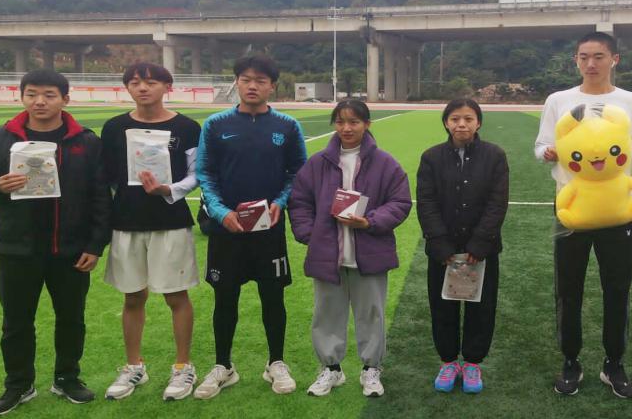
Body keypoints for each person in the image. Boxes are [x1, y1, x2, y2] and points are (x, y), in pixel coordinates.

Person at [0, 69, 111, 416]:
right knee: (16, 322)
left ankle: (67, 378)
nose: (39, 102)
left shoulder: (86, 141)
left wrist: (95, 245)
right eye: (31, 94)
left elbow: (100, 197)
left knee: (71, 318)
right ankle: (18, 385)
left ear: (65, 99)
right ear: (22, 97)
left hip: (70, 250)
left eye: (49, 94)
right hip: (17, 250)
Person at [534, 31, 632, 399]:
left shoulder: (631, 102)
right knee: (568, 288)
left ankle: (613, 363)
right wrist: (548, 153)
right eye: (583, 57)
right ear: (576, 60)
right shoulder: (559, 100)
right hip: (570, 208)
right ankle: (570, 361)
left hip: (617, 210)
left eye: (598, 56)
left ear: (614, 60)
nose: (590, 63)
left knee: (617, 288)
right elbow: (541, 145)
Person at [194, 55, 307, 399]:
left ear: (272, 86)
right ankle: (223, 366)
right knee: (225, 297)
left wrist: (280, 202)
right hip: (226, 230)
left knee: (273, 296)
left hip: (268, 230)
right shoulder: (216, 124)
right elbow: (205, 173)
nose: (252, 86)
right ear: (237, 83)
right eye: (245, 79)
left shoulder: (287, 126)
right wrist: (220, 212)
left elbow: (298, 173)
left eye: (260, 80)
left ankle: (276, 362)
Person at [289, 99, 412, 398]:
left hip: (370, 252)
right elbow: (300, 201)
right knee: (327, 313)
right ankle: (331, 368)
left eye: (354, 122)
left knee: (371, 313)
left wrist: (370, 221)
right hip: (327, 254)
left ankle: (371, 368)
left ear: (367, 124)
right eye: (341, 121)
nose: (347, 128)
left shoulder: (385, 163)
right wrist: (310, 234)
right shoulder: (318, 163)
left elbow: (400, 202)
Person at [100, 63, 201, 401]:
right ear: (127, 88)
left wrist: (168, 190)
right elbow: (106, 176)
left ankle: (183, 366)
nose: (142, 88)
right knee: (133, 296)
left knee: (176, 296)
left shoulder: (186, 127)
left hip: (170, 221)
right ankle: (134, 366)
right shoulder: (115, 127)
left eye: (151, 82)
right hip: (126, 221)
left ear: (167, 86)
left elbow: (196, 174)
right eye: (134, 82)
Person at [416, 98, 509, 393]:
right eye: (455, 118)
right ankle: (448, 362)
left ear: (478, 122)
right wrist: (440, 243)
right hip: (442, 252)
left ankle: (472, 363)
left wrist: (480, 243)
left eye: (468, 119)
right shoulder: (431, 157)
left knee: (481, 307)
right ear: (446, 122)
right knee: (442, 306)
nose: (461, 124)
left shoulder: (494, 156)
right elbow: (426, 202)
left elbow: (497, 202)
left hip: (481, 251)